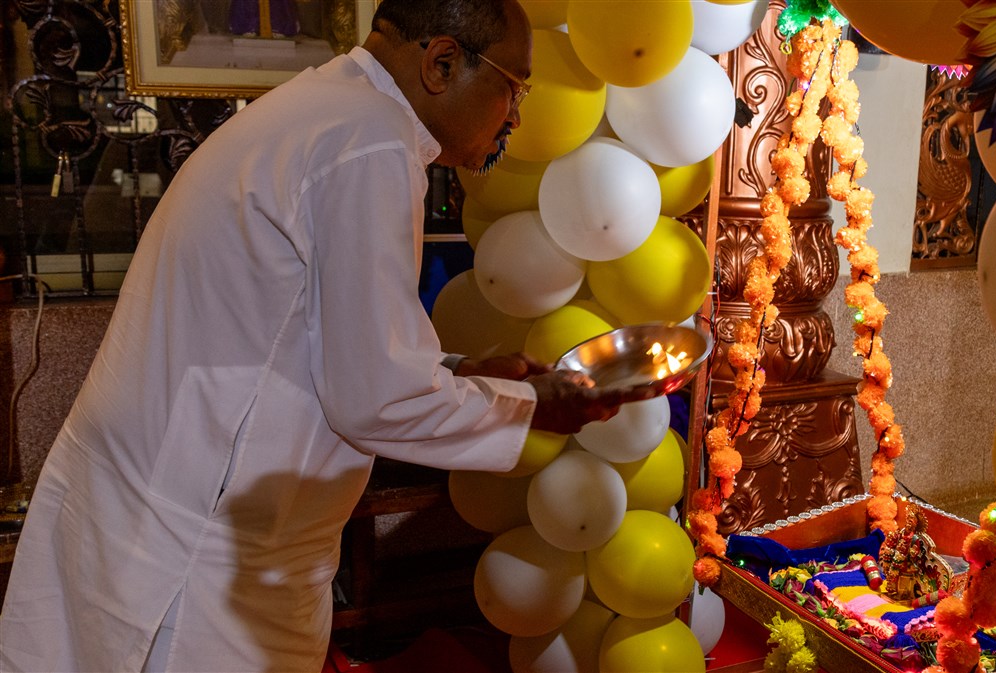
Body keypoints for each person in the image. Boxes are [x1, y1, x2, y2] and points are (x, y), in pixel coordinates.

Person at [0, 0, 645, 670]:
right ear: (443, 62)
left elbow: (314, 330)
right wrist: (542, 404)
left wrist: (460, 371)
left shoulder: (331, 109)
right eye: (515, 88)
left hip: (175, 500)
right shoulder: (370, 142)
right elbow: (373, 398)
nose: (516, 116)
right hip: (198, 548)